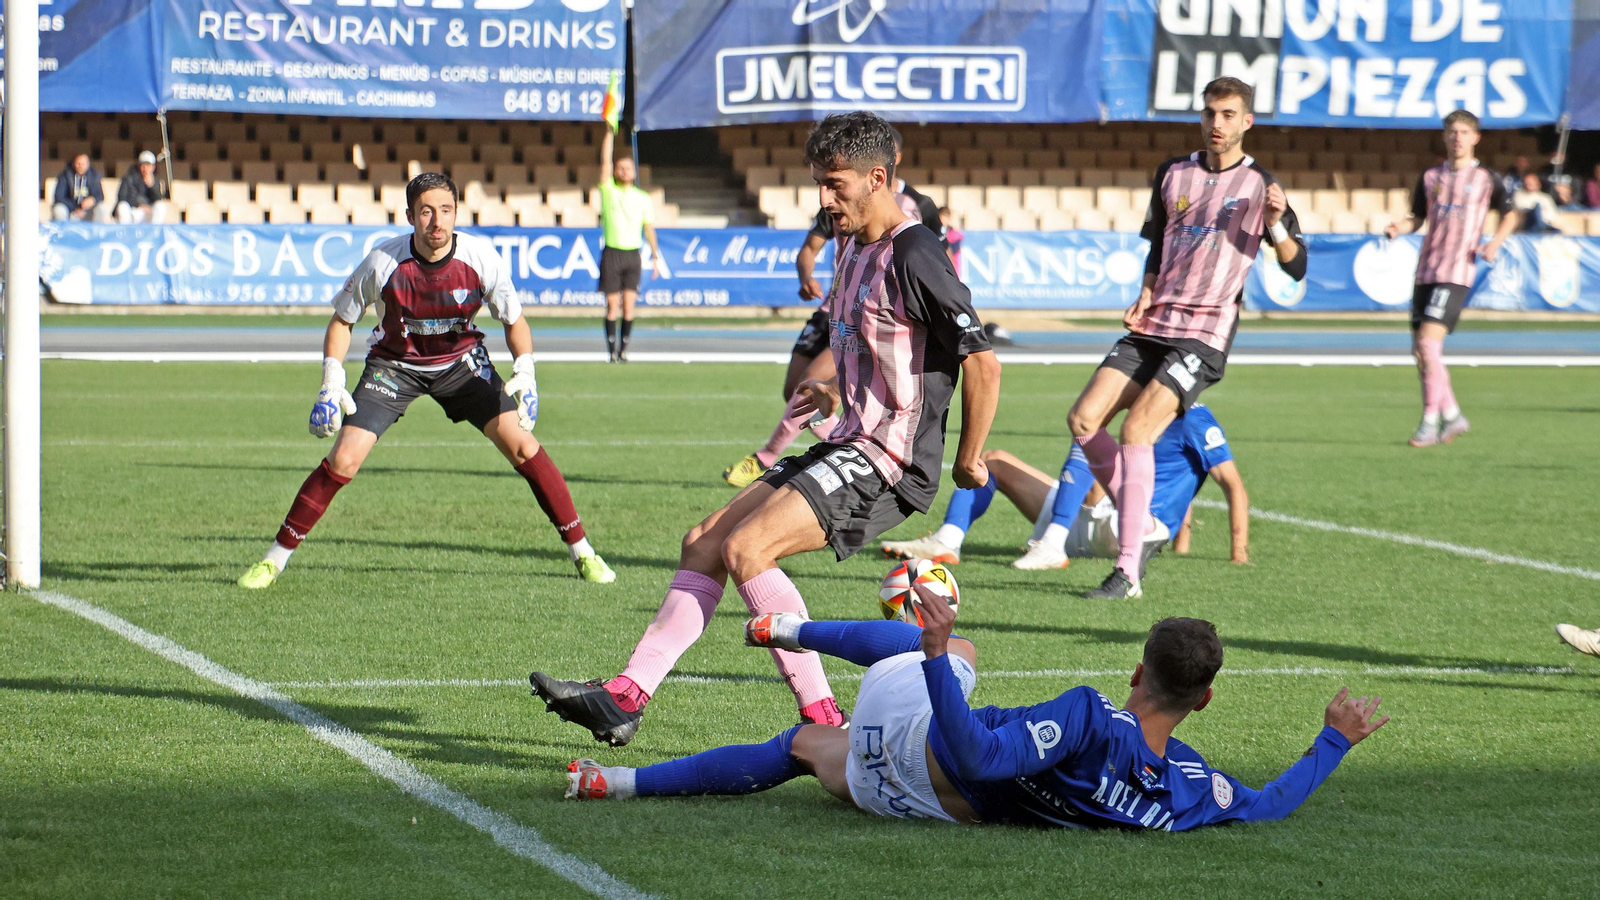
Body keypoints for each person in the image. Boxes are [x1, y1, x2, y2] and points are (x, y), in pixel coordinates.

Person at [529, 112, 1002, 746]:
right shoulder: (850, 245)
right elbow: (888, 348)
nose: (824, 200)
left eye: (835, 185)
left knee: (748, 550)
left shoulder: (915, 251)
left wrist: (970, 458)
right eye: (818, 185)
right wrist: (836, 388)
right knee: (703, 541)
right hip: (848, 440)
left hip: (889, 460)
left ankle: (823, 719)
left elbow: (984, 362)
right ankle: (626, 695)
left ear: (878, 178)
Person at [563, 606, 1389, 835]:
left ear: (1138, 672)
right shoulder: (1187, 789)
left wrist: (933, 660)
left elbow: (983, 755)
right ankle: (613, 781)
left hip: (922, 746)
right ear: (1203, 698)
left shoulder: (1088, 715)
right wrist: (1332, 740)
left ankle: (783, 628)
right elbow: (1268, 803)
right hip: (910, 804)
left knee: (956, 648)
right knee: (807, 746)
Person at [237, 173, 615, 589]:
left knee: (525, 446)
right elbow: (343, 321)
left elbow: (514, 320)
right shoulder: (382, 262)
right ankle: (274, 561)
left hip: (461, 365)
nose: (437, 221)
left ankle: (584, 553)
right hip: (394, 367)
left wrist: (526, 370)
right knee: (343, 458)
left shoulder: (480, 258)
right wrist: (331, 378)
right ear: (410, 216)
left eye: (446, 210)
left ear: (456, 214)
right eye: (427, 212)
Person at [1065, 76, 1305, 600]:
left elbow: (1296, 268)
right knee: (1083, 419)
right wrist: (1145, 292)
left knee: (1137, 430)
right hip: (1155, 322)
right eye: (1209, 114)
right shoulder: (1172, 173)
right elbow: (1157, 247)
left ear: (1247, 121)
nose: (1216, 124)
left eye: (1227, 115)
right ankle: (1142, 519)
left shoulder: (1261, 186)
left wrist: (1277, 225)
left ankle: (1128, 570)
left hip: (1203, 333)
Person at [721, 125, 945, 488]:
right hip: (832, 305)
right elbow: (809, 249)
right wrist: (805, 276)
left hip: (867, 311)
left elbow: (937, 258)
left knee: (814, 390)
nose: (826, 195)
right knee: (799, 391)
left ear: (890, 161)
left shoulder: (916, 207)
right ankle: (842, 449)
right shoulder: (839, 196)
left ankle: (765, 458)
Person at [882, 403, 1247, 573]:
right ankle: (947, 540)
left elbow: (1232, 485)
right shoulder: (1144, 412)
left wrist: (1238, 556)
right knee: (991, 461)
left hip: (1129, 526)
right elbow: (1166, 472)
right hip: (1091, 515)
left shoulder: (1197, 418)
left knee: (1089, 431)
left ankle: (1053, 544)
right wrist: (1181, 544)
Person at [1384, 111, 1519, 449]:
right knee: (1420, 352)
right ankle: (1453, 414)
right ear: (1444, 137)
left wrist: (1495, 242)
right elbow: (1418, 217)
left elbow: (1511, 212)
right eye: (1452, 132)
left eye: (1464, 132)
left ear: (1476, 138)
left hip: (1456, 272)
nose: (1457, 137)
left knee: (1429, 346)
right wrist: (1400, 227)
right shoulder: (1431, 177)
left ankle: (1429, 422)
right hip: (1425, 271)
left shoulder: (1487, 178)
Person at [597, 128, 663, 363]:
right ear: (615, 171)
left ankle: (624, 351)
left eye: (628, 168)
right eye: (621, 167)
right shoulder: (609, 192)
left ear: (634, 172)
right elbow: (604, 161)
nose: (625, 171)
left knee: (629, 307)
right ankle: (611, 352)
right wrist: (608, 134)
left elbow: (649, 228)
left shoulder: (642, 198)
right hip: (613, 253)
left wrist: (655, 256)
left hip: (632, 255)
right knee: (612, 306)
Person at [114, 151, 170, 224]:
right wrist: (138, 205)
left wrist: (151, 186)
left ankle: (154, 233)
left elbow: (158, 199)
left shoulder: (155, 180)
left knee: (161, 206)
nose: (145, 168)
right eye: (143, 165)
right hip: (133, 210)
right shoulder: (128, 178)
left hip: (148, 213)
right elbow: (122, 197)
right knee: (122, 206)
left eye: (148, 165)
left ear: (153, 167)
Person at [52, 153, 110, 222]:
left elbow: (100, 195)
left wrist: (93, 199)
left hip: (87, 212)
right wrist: (75, 209)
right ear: (74, 164)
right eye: (78, 164)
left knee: (102, 207)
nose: (80, 166)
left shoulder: (94, 176)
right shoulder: (65, 175)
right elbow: (59, 196)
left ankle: (96, 231)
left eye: (83, 164)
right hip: (70, 210)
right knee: (58, 209)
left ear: (88, 165)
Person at [939, 207, 964, 276]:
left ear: (948, 218)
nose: (941, 220)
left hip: (952, 270)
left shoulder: (955, 235)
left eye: (943, 218)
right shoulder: (936, 232)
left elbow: (951, 251)